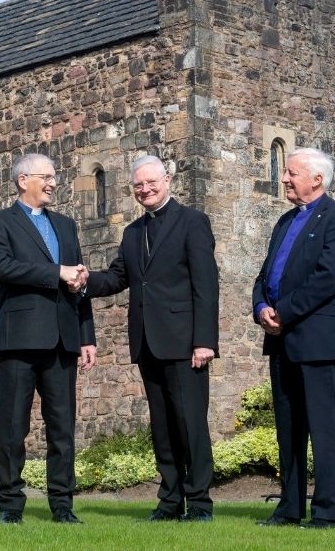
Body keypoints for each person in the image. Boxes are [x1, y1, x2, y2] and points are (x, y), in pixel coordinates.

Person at [84, 155, 218, 522]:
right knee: (162, 428)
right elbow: (116, 278)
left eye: (151, 183)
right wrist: (82, 281)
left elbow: (206, 286)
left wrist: (204, 341)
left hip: (186, 343)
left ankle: (200, 503)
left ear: (168, 180)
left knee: (190, 425)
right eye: (138, 185)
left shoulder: (193, 222)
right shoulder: (132, 232)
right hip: (147, 342)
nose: (145, 190)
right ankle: (170, 500)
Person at [0, 153, 96, 525]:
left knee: (62, 428)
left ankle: (62, 505)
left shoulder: (65, 225)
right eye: (45, 177)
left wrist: (87, 335)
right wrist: (58, 272)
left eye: (54, 176)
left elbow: (78, 283)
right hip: (19, 340)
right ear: (22, 180)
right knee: (12, 427)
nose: (53, 183)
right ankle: (10, 506)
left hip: (63, 341)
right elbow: (5, 268)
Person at [251, 148, 335, 529]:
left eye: (291, 172)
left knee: (323, 428)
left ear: (317, 179)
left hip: (318, 339)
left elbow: (328, 278)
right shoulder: (284, 221)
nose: (284, 178)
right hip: (280, 339)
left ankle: (327, 512)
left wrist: (285, 311)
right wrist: (261, 306)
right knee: (288, 427)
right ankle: (289, 507)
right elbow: (265, 275)